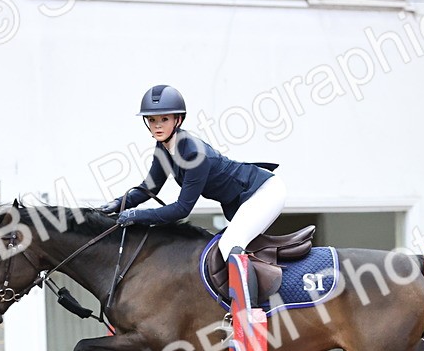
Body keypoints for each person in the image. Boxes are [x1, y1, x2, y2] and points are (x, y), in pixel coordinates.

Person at [99, 85, 286, 262]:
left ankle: (251, 289)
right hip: (246, 198)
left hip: (264, 192)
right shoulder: (163, 147)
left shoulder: (195, 154)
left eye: (164, 119)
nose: (157, 126)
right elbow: (150, 187)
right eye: (152, 120)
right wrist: (118, 203)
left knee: (229, 245)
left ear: (178, 120)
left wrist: (136, 215)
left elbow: (182, 209)